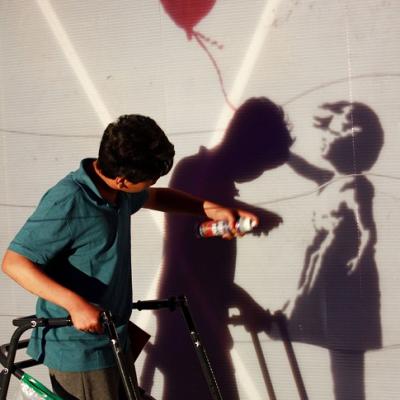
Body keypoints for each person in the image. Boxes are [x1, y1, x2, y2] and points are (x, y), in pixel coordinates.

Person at [1, 114, 258, 400]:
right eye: (147, 180)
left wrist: (210, 209)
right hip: (79, 347)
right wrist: (75, 305)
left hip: (113, 336)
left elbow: (158, 197)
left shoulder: (117, 193)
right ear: (123, 180)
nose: (149, 186)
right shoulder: (68, 201)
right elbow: (14, 262)